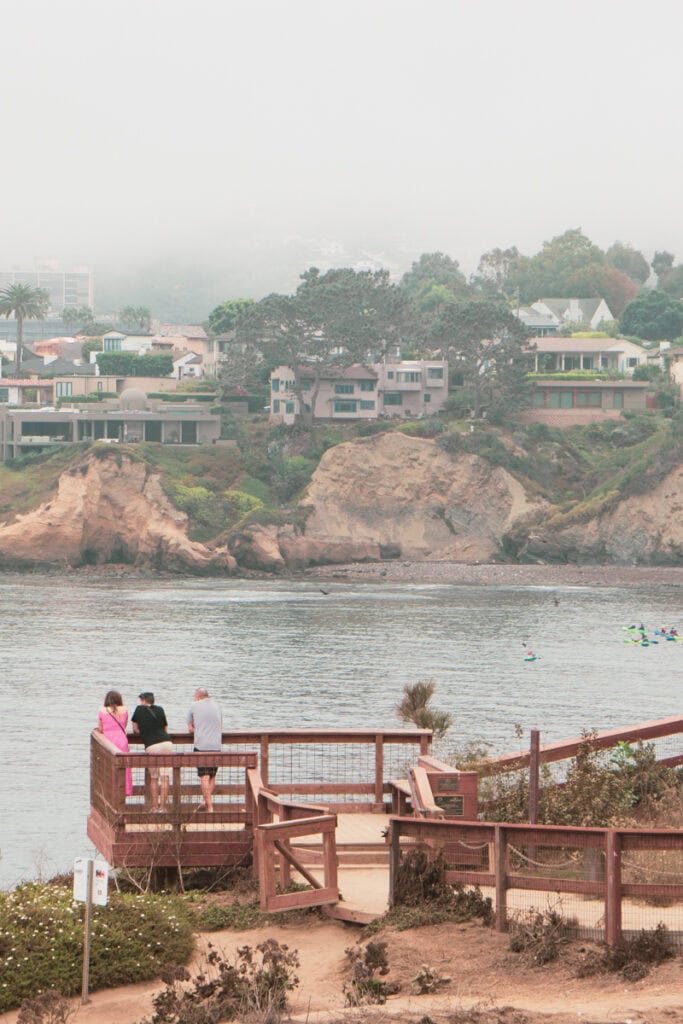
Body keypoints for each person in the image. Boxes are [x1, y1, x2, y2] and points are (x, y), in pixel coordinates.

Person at [131, 692, 173, 810]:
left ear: (144, 701)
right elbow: (165, 728)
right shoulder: (160, 709)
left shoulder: (139, 710)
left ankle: (154, 807)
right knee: (165, 776)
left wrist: (144, 732)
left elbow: (135, 730)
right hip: (166, 743)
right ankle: (163, 808)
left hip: (151, 745)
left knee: (154, 777)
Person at [187, 687, 222, 812]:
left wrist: (198, 727)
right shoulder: (217, 705)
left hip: (201, 745)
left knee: (204, 776)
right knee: (212, 775)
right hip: (216, 745)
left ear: (197, 696)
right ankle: (205, 801)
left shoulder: (194, 705)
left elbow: (190, 728)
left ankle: (209, 806)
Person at [97, 689, 133, 797]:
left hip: (108, 741)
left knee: (109, 766)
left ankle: (110, 790)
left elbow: (100, 728)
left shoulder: (102, 711)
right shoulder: (125, 710)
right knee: (124, 766)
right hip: (122, 740)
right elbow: (124, 725)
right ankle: (125, 790)